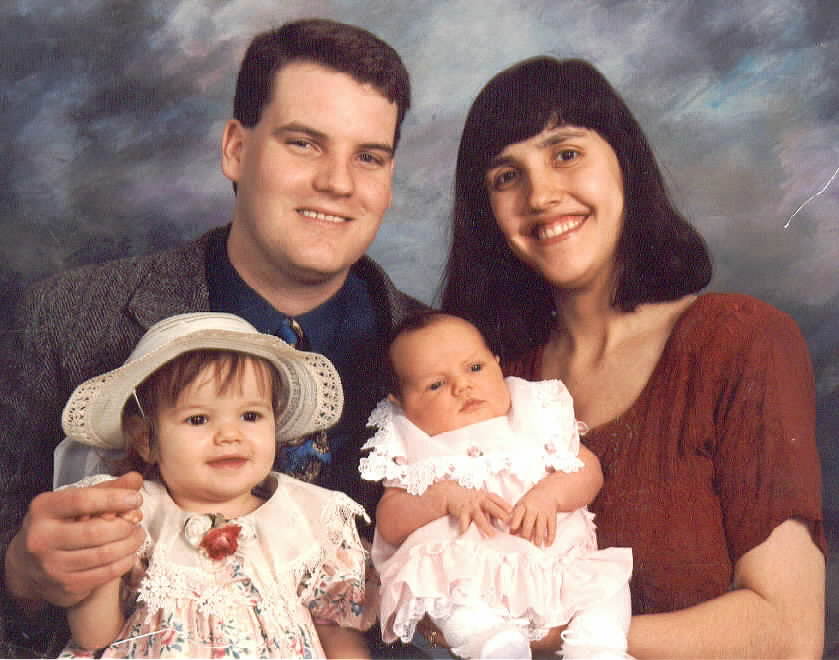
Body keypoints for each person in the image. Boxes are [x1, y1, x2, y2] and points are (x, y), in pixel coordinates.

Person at [0, 18, 423, 658]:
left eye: (369, 156)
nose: (338, 183)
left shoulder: (440, 353)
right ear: (235, 149)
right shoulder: (65, 320)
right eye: (304, 143)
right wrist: (22, 579)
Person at [440, 57, 826, 658]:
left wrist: (547, 638)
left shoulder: (740, 343)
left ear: (625, 163)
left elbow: (787, 634)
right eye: (505, 177)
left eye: (566, 153)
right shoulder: (491, 383)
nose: (540, 195)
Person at [56, 312, 377, 658]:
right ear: (145, 439)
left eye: (250, 416)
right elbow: (94, 636)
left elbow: (336, 626)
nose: (229, 435)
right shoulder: (136, 515)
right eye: (198, 419)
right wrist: (102, 560)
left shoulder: (306, 517)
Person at [359, 311, 632, 659]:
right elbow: (391, 522)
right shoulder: (414, 443)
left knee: (607, 586)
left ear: (497, 363)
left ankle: (597, 646)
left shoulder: (534, 415)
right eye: (435, 385)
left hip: (554, 557)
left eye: (475, 368)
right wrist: (442, 497)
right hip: (469, 567)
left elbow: (588, 470)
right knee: (449, 594)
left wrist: (550, 494)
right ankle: (489, 642)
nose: (463, 387)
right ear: (401, 402)